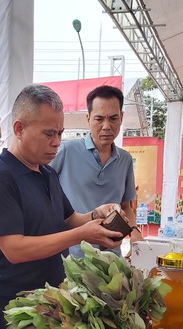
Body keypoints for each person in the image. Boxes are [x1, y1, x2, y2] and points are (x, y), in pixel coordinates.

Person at [0, 84, 125, 329]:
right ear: (19, 128)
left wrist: (96, 216)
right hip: (14, 307)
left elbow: (69, 221)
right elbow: (14, 249)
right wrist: (82, 234)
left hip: (51, 300)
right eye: (48, 134)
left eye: (60, 133)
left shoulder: (47, 173)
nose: (57, 142)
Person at [50, 85, 141, 257]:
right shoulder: (65, 151)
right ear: (88, 118)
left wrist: (134, 232)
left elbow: (125, 206)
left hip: (110, 257)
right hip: (70, 257)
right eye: (99, 119)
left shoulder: (125, 160)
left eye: (113, 118)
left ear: (121, 118)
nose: (106, 126)